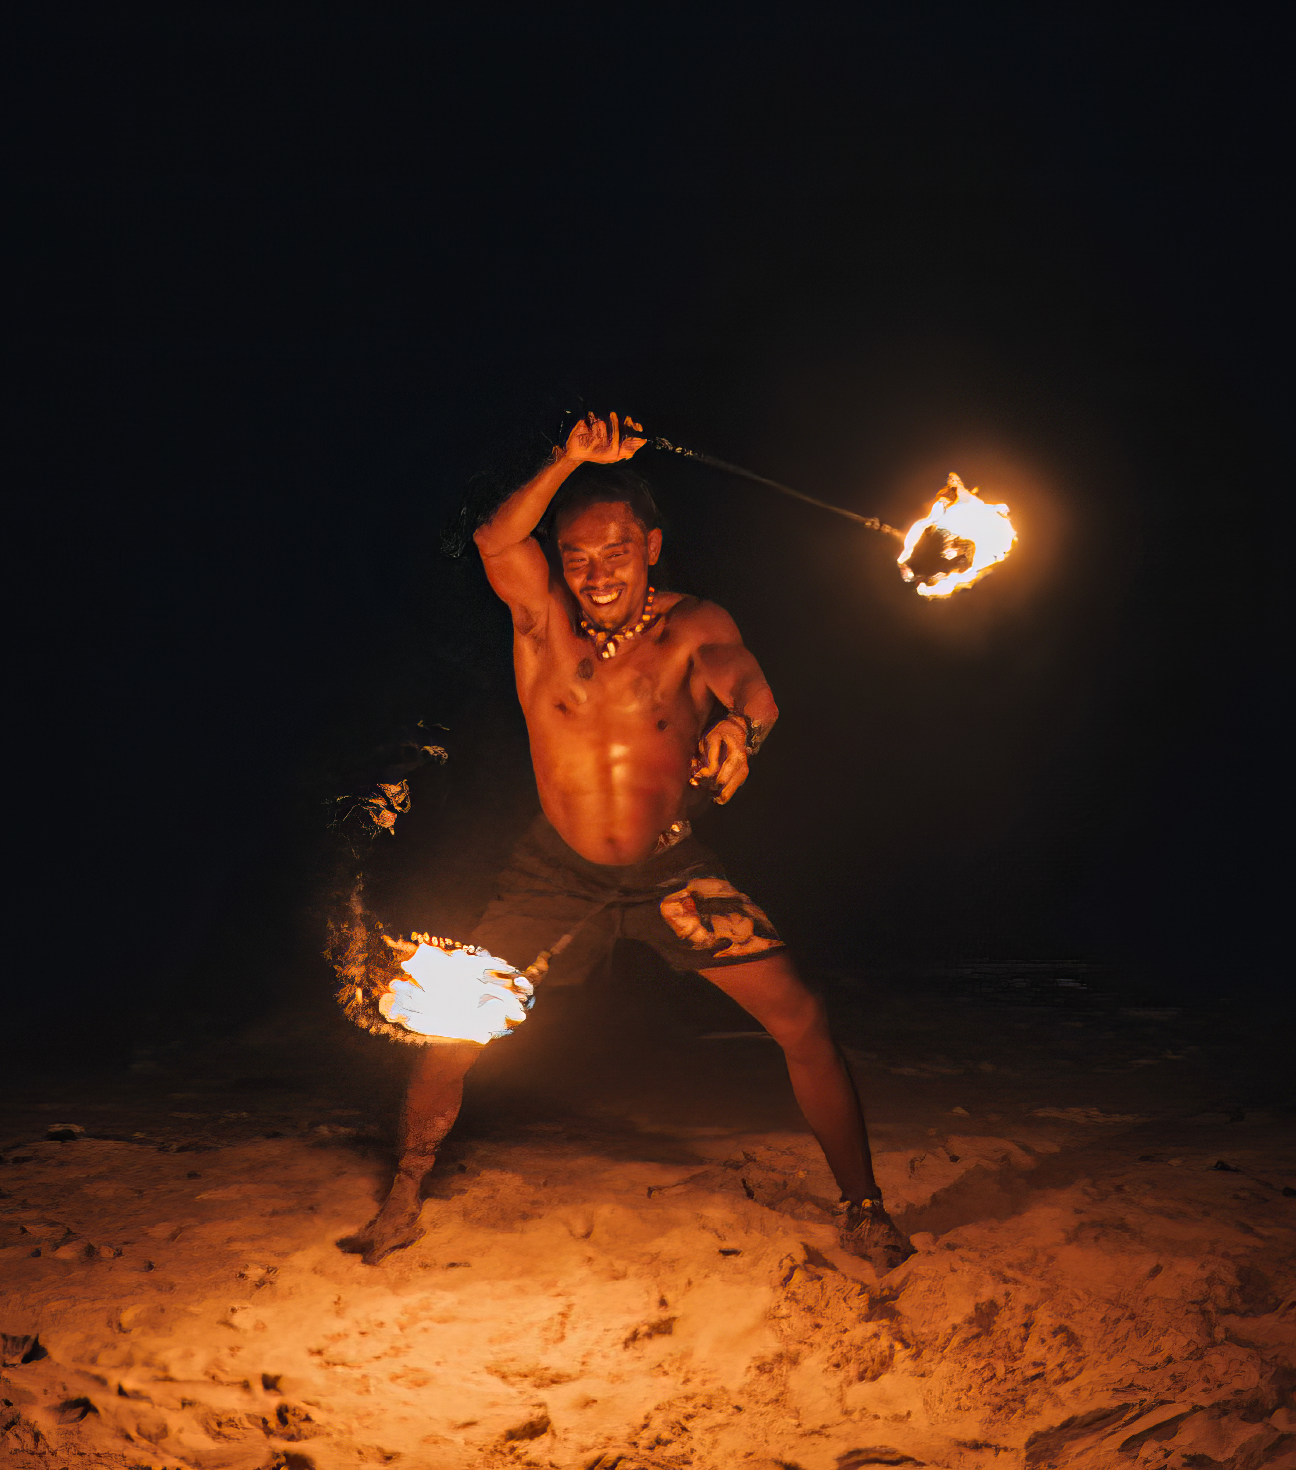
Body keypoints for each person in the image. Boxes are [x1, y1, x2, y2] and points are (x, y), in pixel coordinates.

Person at [350, 412, 913, 1271]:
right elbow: (495, 539)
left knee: (801, 1017)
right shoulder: (541, 624)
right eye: (576, 556)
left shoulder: (693, 624)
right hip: (554, 872)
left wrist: (739, 733)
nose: (596, 573)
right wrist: (568, 457)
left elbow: (753, 690)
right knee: (451, 1033)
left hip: (669, 871)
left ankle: (863, 1207)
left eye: (615, 552)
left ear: (651, 547)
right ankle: (401, 1197)